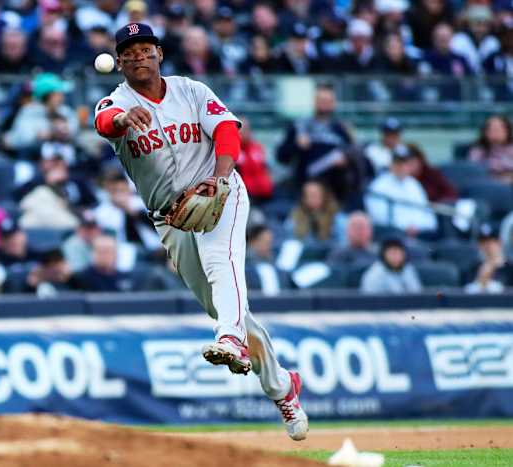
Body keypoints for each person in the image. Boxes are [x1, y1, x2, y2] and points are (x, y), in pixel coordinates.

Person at [93, 23, 307, 440]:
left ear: (159, 54)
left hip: (220, 192)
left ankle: (229, 338)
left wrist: (221, 176)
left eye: (145, 47)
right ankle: (282, 385)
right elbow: (104, 123)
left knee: (220, 263)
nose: (139, 55)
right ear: (118, 62)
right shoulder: (113, 101)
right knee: (225, 304)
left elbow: (227, 130)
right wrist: (122, 118)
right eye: (129, 51)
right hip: (170, 218)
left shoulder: (191, 90)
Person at [276, 84, 355, 201]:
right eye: (321, 100)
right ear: (314, 101)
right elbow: (281, 157)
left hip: (334, 192)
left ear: (334, 103)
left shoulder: (342, 129)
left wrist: (346, 160)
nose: (324, 104)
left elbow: (354, 158)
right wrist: (296, 145)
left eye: (328, 101)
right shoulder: (299, 126)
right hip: (304, 191)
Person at [365, 144, 438, 236]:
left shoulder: (414, 185)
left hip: (418, 233)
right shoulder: (379, 185)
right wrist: (405, 227)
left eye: (404, 163)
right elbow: (379, 217)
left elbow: (429, 218)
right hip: (392, 234)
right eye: (398, 163)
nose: (401, 167)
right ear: (391, 164)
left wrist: (417, 227)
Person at [236, 117, 274, 202]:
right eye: (241, 128)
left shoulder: (257, 147)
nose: (245, 132)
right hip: (245, 196)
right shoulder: (232, 151)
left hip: (266, 193)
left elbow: (266, 169)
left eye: (247, 128)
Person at [468, 115, 513, 183]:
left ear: (507, 130)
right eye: (491, 129)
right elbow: (473, 169)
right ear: (485, 132)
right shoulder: (478, 149)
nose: (495, 132)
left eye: (498, 129)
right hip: (486, 182)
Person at [465, 223, 508, 294]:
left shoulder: (510, 268)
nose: (487, 245)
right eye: (483, 242)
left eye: (491, 241)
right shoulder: (472, 268)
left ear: (499, 242)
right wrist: (480, 280)